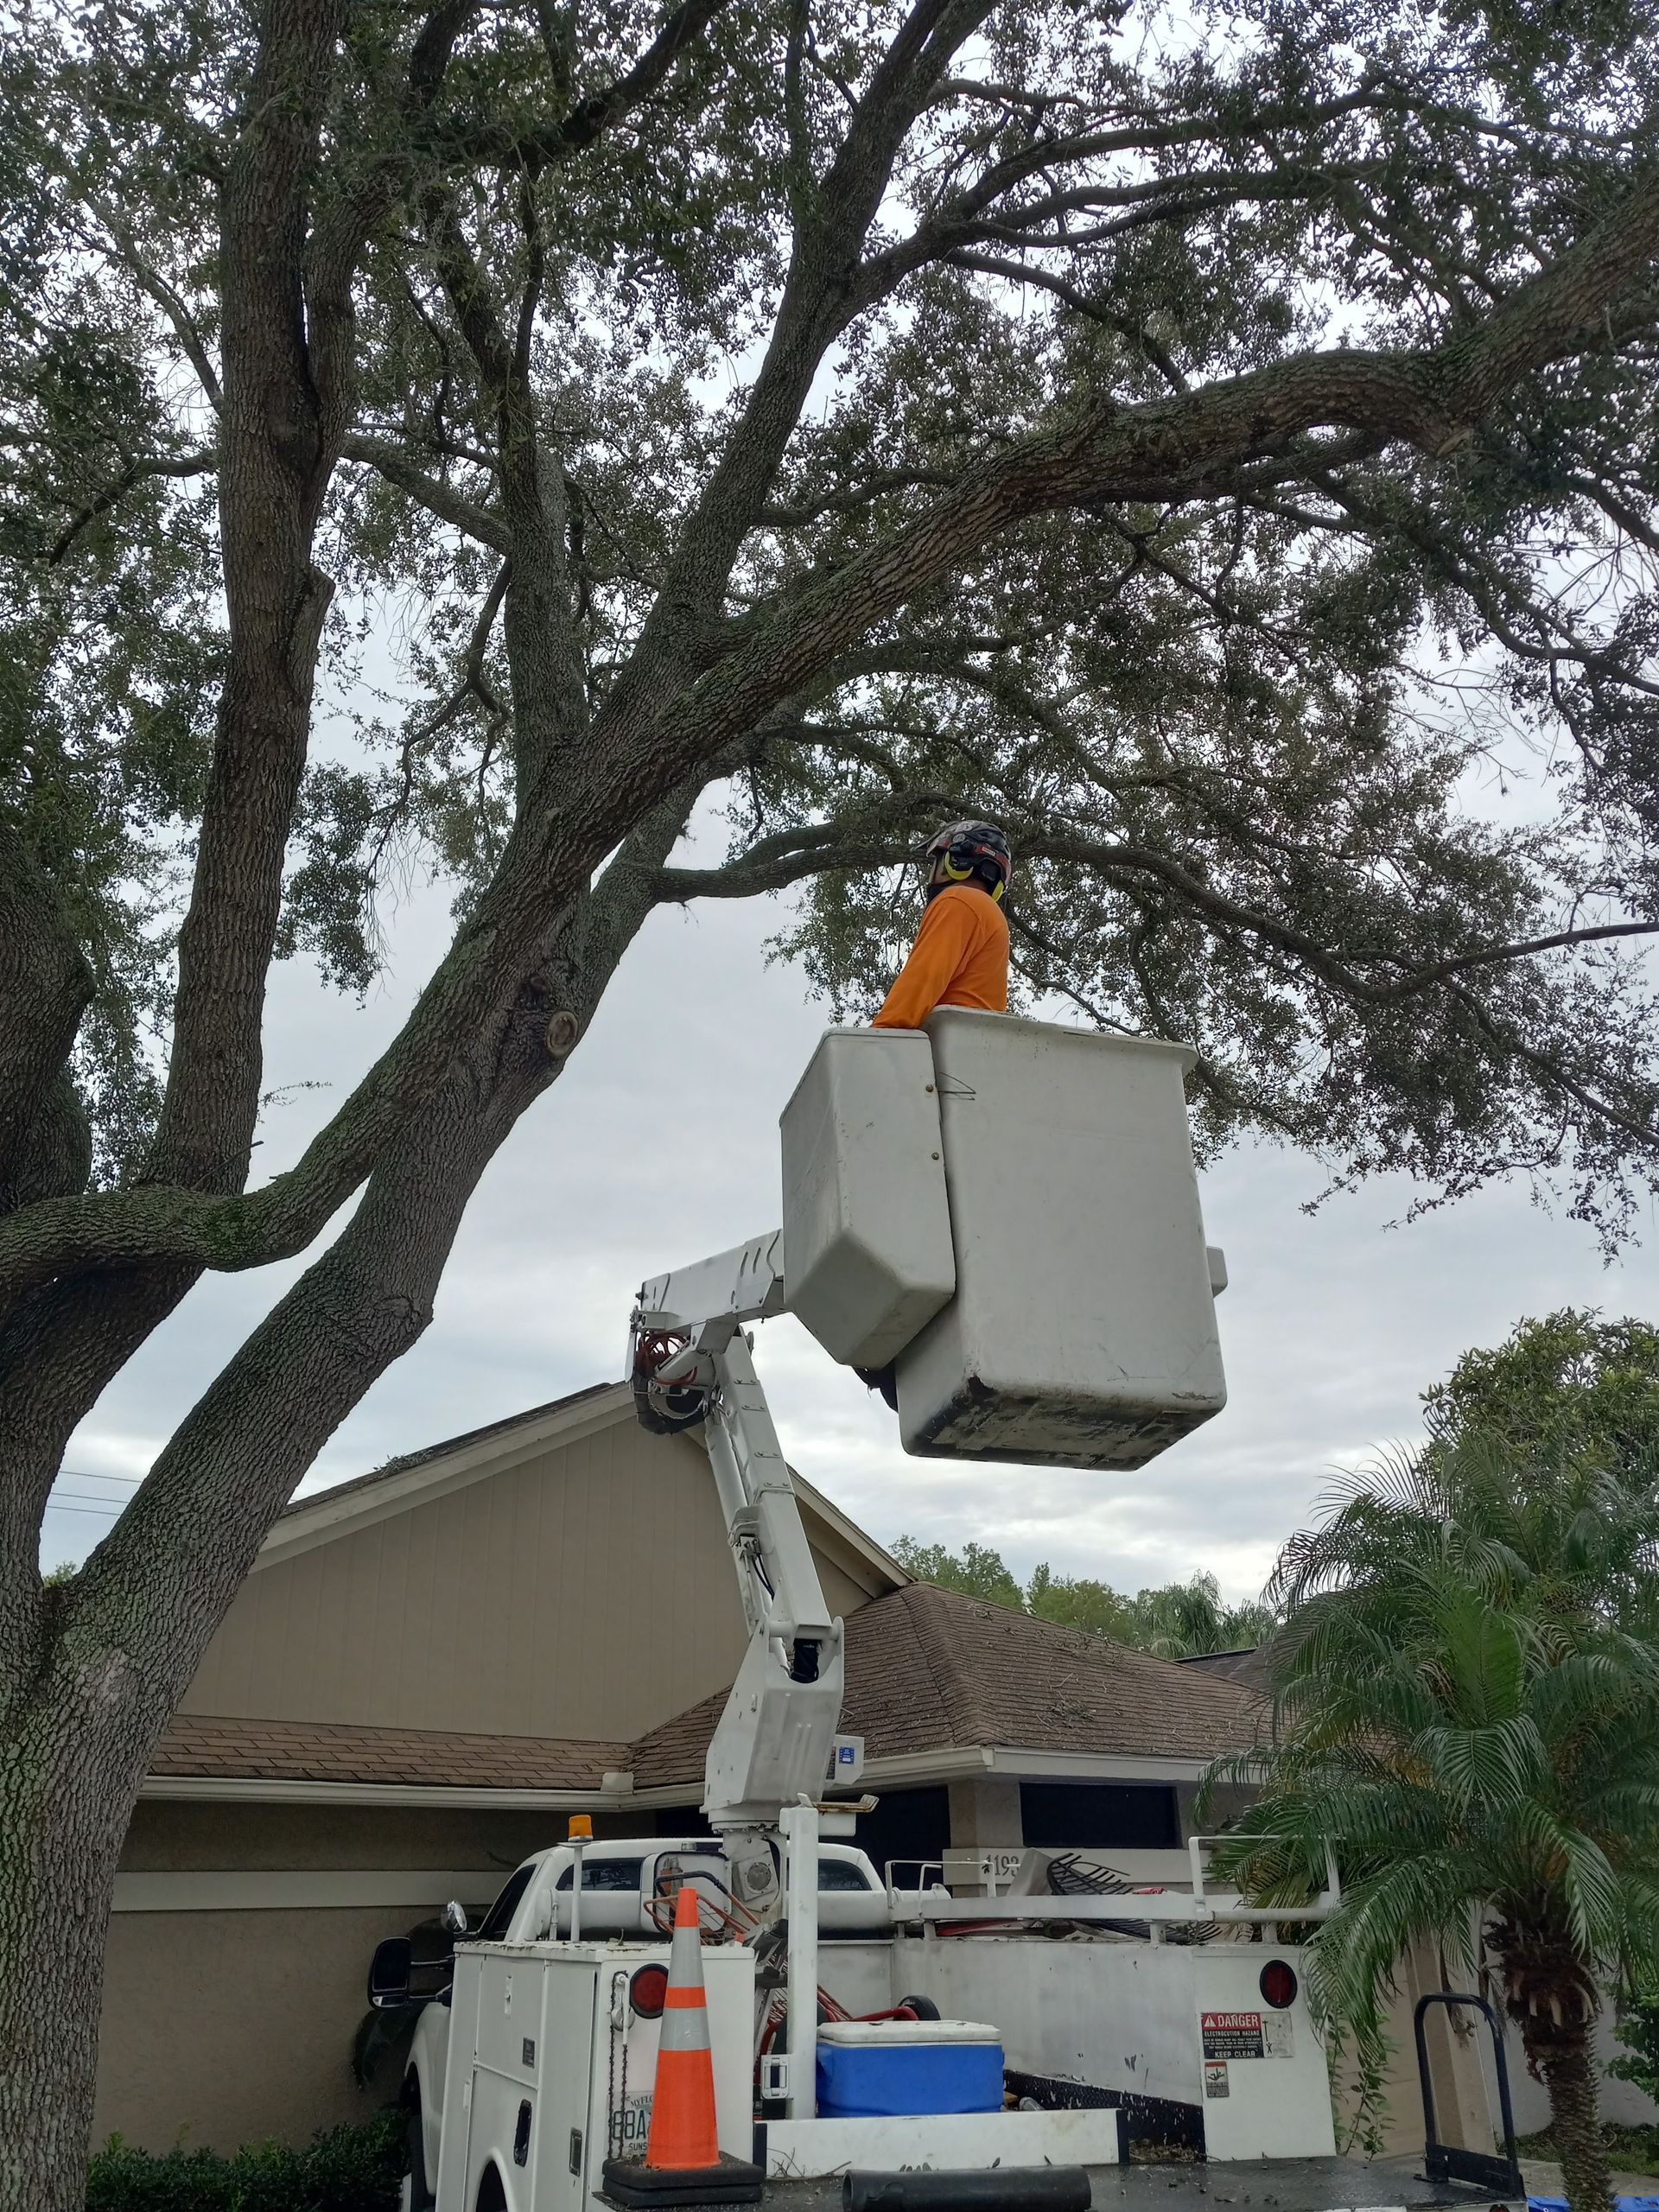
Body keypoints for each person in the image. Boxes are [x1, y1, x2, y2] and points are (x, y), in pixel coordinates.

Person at [871, 820, 1012, 1029]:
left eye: (935, 861)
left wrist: (874, 1043)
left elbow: (918, 987)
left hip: (953, 1051)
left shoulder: (959, 900)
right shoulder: (986, 913)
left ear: (954, 860)